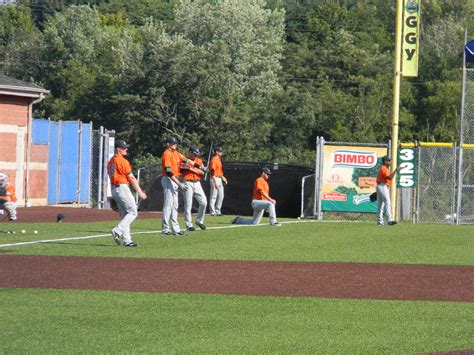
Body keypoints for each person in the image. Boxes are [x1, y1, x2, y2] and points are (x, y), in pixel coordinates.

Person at [161, 137, 206, 235]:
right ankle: (165, 229)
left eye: (175, 143)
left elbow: (189, 161)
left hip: (175, 179)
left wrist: (201, 167)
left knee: (175, 205)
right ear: (168, 144)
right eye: (173, 143)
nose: (175, 145)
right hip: (169, 179)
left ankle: (176, 229)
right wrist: (179, 183)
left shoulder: (176, 153)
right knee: (168, 205)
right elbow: (168, 171)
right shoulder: (166, 154)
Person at [107, 140, 147, 247]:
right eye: (124, 148)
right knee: (133, 212)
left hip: (114, 188)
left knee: (125, 214)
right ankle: (117, 230)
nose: (126, 149)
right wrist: (140, 191)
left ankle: (127, 240)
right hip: (122, 187)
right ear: (118, 149)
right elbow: (131, 177)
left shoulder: (111, 161)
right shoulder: (122, 161)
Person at [181, 145, 207, 231]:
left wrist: (192, 169)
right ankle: (189, 224)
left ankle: (199, 221)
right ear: (190, 153)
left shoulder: (198, 160)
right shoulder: (184, 160)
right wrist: (193, 169)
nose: (196, 156)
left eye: (197, 154)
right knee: (188, 204)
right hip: (187, 182)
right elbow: (184, 168)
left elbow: (201, 172)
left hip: (197, 183)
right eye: (195, 154)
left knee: (204, 202)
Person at [376, 155, 399, 226]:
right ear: (385, 162)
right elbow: (389, 177)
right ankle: (389, 220)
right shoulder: (384, 168)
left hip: (380, 186)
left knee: (380, 205)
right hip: (383, 186)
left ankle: (380, 222)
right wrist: (396, 170)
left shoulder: (384, 168)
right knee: (387, 202)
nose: (390, 162)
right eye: (388, 161)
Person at [209, 146, 227, 216]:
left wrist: (223, 177)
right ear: (217, 152)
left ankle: (218, 210)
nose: (221, 152)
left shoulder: (219, 159)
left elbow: (219, 171)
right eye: (220, 151)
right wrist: (215, 181)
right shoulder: (214, 159)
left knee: (221, 195)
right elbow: (212, 171)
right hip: (214, 178)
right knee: (214, 196)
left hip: (219, 178)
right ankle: (212, 211)